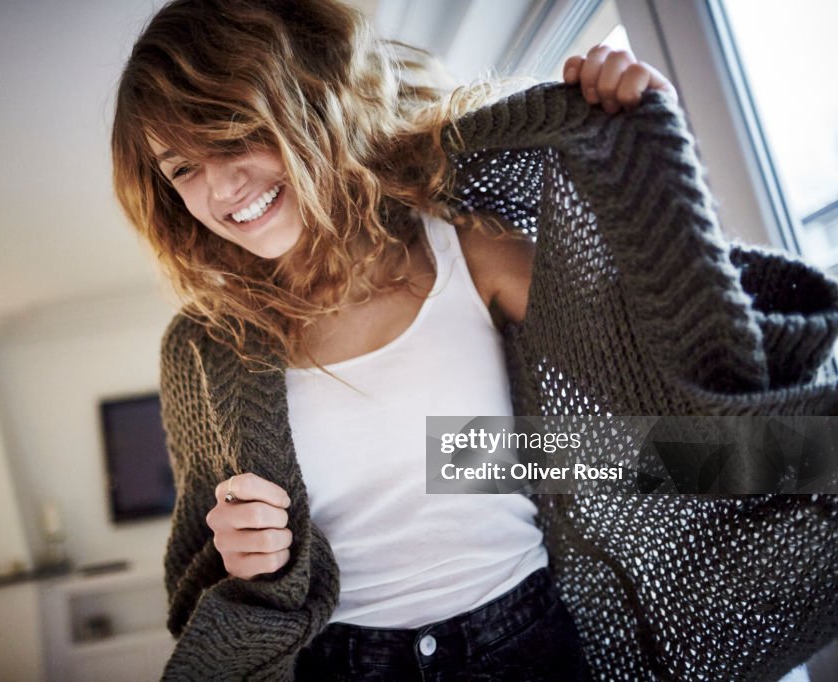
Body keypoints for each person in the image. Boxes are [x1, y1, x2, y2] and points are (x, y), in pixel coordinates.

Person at [110, 0, 713, 679]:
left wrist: (644, 152)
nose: (219, 186)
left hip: (523, 645)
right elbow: (195, 600)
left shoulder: (469, 250)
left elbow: (673, 412)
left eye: (231, 134)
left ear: (306, 99)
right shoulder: (203, 349)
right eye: (181, 169)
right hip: (338, 664)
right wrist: (245, 564)